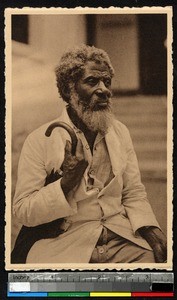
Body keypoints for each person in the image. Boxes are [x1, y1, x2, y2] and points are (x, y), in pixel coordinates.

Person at [12, 45, 167, 264]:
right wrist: (65, 184)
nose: (104, 89)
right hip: (63, 244)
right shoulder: (40, 140)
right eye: (92, 81)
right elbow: (23, 211)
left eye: (107, 82)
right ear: (68, 90)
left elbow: (133, 192)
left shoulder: (120, 132)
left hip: (119, 238)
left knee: (156, 277)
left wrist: (151, 228)